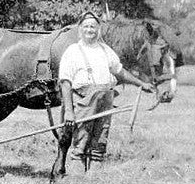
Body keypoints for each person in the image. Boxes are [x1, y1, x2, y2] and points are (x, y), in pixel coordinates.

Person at [57, 11, 155, 171]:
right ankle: (76, 183)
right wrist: (69, 111)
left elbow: (120, 71)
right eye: (86, 26)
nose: (90, 30)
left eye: (93, 27)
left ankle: (96, 180)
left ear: (98, 30)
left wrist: (140, 83)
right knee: (82, 140)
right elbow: (65, 83)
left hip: (105, 100)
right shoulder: (72, 51)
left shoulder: (105, 50)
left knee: (100, 141)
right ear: (80, 29)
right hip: (84, 101)